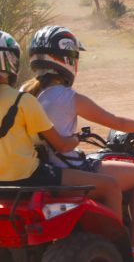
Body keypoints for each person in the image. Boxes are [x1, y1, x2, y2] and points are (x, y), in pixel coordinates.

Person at [21, 26, 134, 262]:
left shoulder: (25, 93)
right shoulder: (68, 97)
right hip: (71, 170)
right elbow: (117, 121)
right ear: (67, 60)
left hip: (41, 171)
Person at [0, 30, 122, 220]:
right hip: (29, 177)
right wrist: (75, 138)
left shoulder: (27, 94)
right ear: (11, 61)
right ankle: (119, 248)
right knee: (111, 186)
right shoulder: (22, 101)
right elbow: (61, 145)